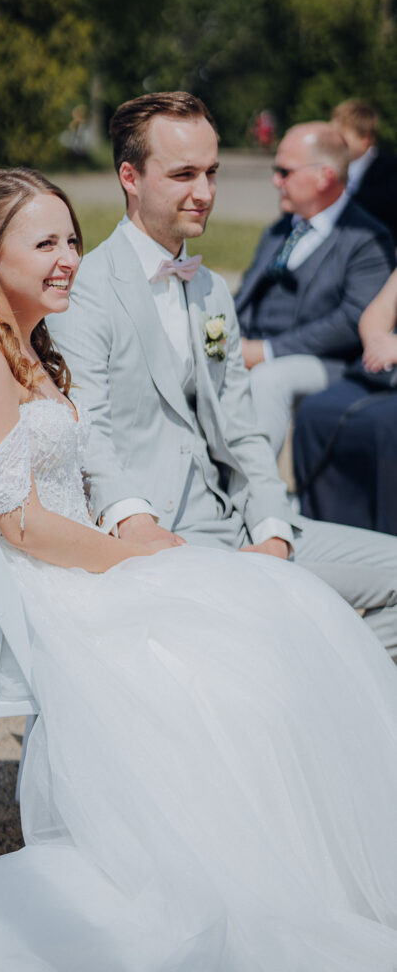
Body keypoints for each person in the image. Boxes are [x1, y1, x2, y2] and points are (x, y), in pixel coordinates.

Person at [0, 168, 397, 971]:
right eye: (42, 243)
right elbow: (21, 524)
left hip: (79, 562)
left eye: (72, 240)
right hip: (44, 589)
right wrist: (133, 556)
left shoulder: (31, 344)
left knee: (275, 603)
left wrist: (137, 541)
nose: (67, 259)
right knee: (234, 649)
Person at [48, 93, 397, 655]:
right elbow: (86, 429)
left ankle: (331, 709)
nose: (205, 193)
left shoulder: (210, 289)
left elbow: (241, 427)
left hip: (237, 523)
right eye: (184, 174)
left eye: (212, 172)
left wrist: (273, 530)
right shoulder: (86, 291)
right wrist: (135, 523)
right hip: (158, 539)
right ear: (130, 176)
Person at [235, 120, 394, 456]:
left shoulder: (367, 238)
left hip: (326, 362)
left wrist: (264, 351)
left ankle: (261, 495)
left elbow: (352, 320)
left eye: (285, 171)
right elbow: (246, 296)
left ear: (324, 176)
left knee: (269, 379)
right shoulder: (279, 230)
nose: (275, 180)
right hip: (252, 347)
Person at [294, 268, 397, 534]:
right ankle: (324, 529)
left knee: (384, 425)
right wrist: (377, 345)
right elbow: (375, 315)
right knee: (315, 412)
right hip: (385, 375)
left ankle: (386, 540)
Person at [331, 99, 397, 241]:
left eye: (341, 137)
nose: (334, 142)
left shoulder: (390, 173)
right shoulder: (327, 169)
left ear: (365, 139)